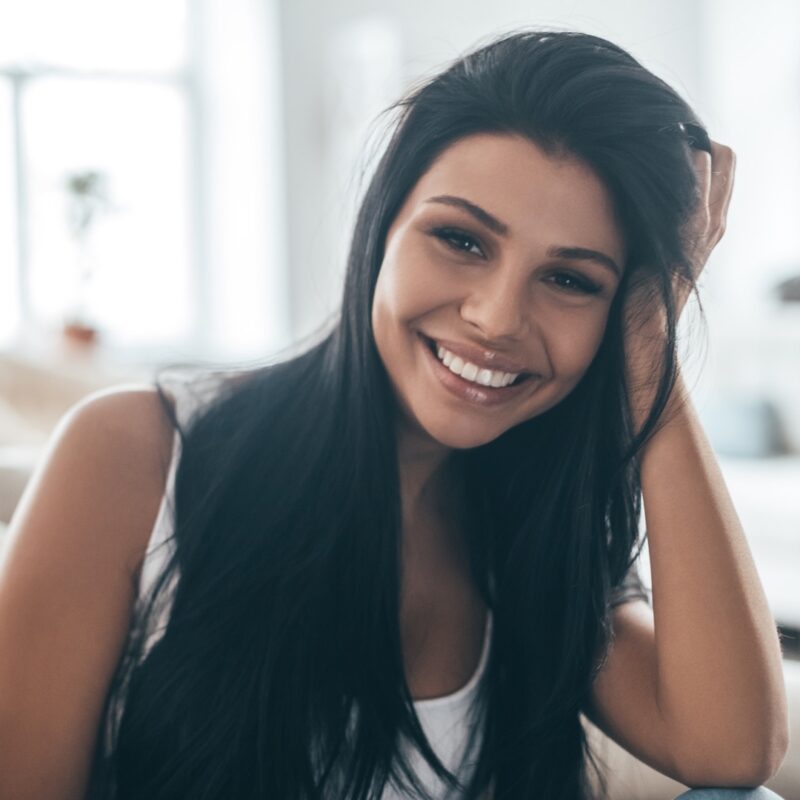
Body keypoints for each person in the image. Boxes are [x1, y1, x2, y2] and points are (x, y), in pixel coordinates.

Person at [0, 28, 789, 800]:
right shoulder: (138, 452)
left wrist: (651, 343)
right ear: (381, 228)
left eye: (572, 281)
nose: (496, 318)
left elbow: (729, 749)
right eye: (461, 240)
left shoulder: (541, 525)